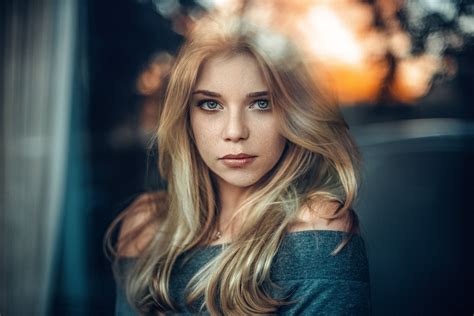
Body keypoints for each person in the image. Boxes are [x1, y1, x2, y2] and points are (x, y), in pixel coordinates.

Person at [106, 13, 370, 315]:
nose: (235, 132)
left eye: (261, 103)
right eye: (210, 104)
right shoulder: (144, 225)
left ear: (292, 115)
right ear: (186, 117)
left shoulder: (317, 227)